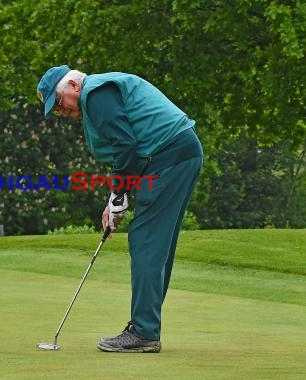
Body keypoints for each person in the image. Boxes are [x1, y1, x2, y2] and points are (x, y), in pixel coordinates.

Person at [37, 65, 203, 353]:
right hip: (178, 154)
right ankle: (145, 326)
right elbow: (128, 148)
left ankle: (144, 332)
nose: (60, 111)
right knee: (155, 243)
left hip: (170, 157)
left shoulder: (95, 94)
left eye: (60, 102)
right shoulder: (98, 95)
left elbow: (125, 144)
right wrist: (117, 196)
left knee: (145, 241)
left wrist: (117, 194)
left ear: (74, 86)